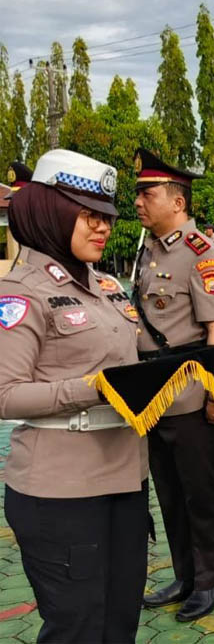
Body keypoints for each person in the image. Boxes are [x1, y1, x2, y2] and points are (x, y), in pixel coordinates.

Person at [0, 150, 148, 643]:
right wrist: (91, 389)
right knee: (78, 629)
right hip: (61, 492)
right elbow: (5, 394)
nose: (102, 227)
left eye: (105, 216)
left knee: (119, 622)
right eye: (88, 215)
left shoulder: (104, 285)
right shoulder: (21, 291)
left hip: (124, 480)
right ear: (50, 212)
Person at [132, 148, 214, 621]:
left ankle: (211, 580)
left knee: (202, 491)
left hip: (192, 394)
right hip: (152, 395)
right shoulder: (147, 250)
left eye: (146, 192)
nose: (137, 201)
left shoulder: (202, 254)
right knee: (169, 490)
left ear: (176, 202)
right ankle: (185, 573)